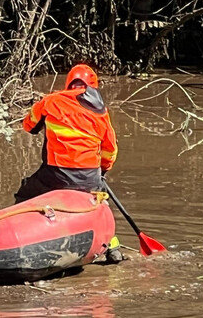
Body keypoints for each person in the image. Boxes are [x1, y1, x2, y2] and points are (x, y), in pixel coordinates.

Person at [16, 63, 123, 263]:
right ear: (92, 86)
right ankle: (113, 248)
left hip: (56, 174)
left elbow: (28, 125)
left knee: (25, 195)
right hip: (89, 176)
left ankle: (20, 239)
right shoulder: (101, 111)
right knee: (101, 205)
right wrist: (103, 170)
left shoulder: (51, 102)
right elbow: (110, 149)